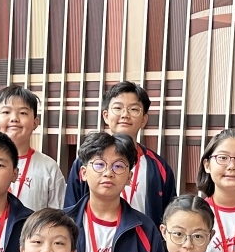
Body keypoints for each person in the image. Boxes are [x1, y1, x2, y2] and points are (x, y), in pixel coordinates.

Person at [65, 82, 177, 220]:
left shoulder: (159, 168)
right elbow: (71, 213)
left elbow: (171, 218)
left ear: (144, 119)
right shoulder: (86, 161)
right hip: (93, 234)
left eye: (134, 109)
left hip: (142, 234)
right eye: (118, 108)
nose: (125, 114)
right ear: (106, 116)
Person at [0, 86, 67, 210]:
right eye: (6, 112)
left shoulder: (49, 168)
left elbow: (58, 216)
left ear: (35, 123)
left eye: (23, 113)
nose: (14, 118)